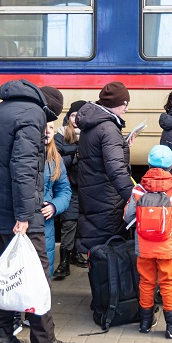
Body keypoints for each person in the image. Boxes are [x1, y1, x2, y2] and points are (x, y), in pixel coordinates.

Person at [0, 79, 77, 343]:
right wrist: (22, 216)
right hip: (18, 213)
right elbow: (23, 168)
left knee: (2, 275)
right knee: (36, 276)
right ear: (49, 110)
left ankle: (4, 342)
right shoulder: (32, 115)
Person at [123, 145, 172, 339]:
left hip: (143, 245)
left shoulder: (138, 189)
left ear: (149, 164)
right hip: (168, 245)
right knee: (168, 283)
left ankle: (145, 323)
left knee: (145, 281)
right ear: (171, 166)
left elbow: (127, 216)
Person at [75, 81, 134, 254]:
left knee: (98, 250)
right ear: (117, 103)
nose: (126, 109)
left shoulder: (92, 125)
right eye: (125, 104)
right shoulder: (108, 128)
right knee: (111, 252)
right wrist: (134, 197)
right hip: (108, 200)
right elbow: (116, 170)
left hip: (93, 195)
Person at [53, 100, 87, 278]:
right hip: (69, 187)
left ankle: (75, 254)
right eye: (73, 115)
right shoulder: (59, 137)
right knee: (69, 223)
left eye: (80, 115)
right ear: (68, 117)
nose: (76, 119)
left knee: (82, 223)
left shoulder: (91, 135)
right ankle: (64, 262)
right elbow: (57, 163)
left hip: (87, 187)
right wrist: (74, 156)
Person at [40, 86, 71, 278]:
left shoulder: (55, 158)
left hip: (46, 223)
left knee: (44, 268)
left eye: (51, 127)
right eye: (45, 127)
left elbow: (64, 190)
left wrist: (54, 205)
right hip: (26, 222)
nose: (48, 131)